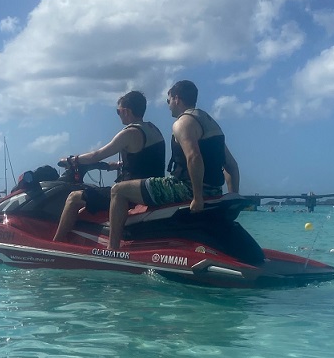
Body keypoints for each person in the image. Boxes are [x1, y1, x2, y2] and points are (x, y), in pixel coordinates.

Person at [106, 80, 239, 250]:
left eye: (168, 101)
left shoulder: (182, 123)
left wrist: (197, 198)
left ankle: (112, 249)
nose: (168, 106)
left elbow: (193, 157)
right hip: (214, 191)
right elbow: (231, 166)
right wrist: (232, 196)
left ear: (177, 99)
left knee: (118, 190)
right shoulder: (210, 123)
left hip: (185, 188)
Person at [53, 90, 165, 242]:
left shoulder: (130, 133)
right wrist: (116, 166)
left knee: (73, 198)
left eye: (118, 111)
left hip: (130, 193)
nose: (118, 115)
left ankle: (57, 243)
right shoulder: (154, 130)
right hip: (150, 189)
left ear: (126, 111)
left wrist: (74, 160)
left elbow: (96, 155)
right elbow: (143, 160)